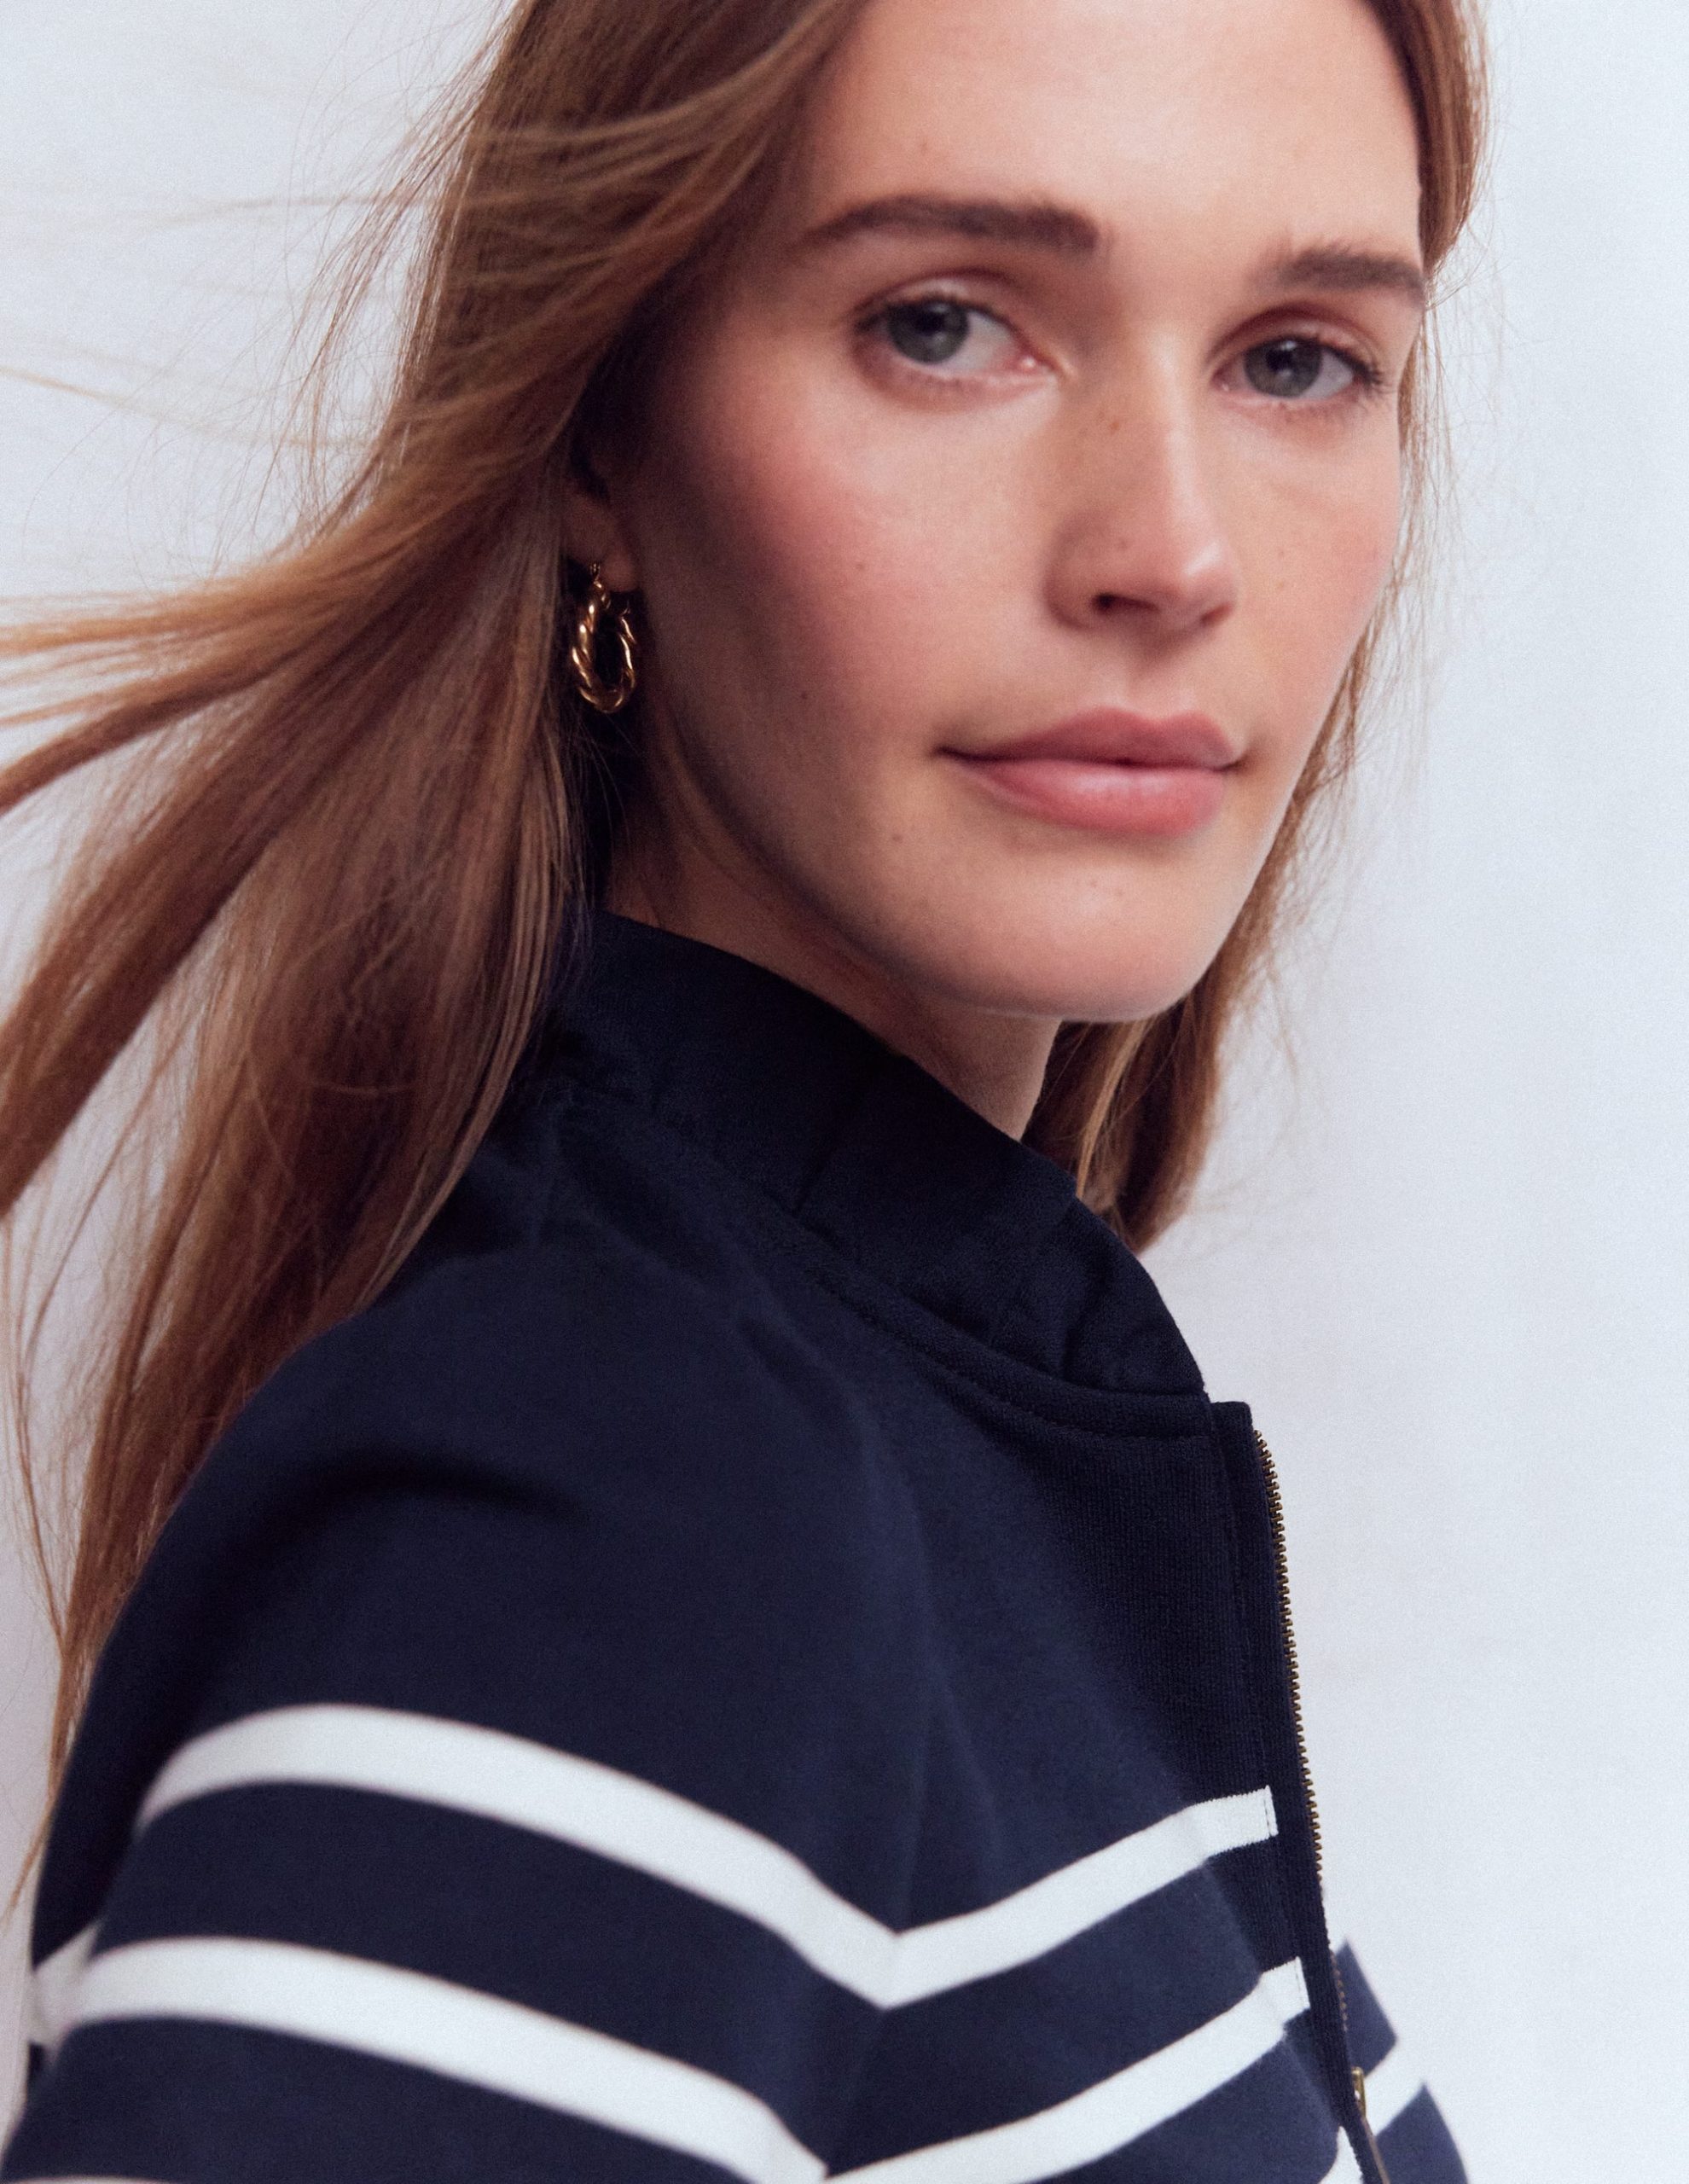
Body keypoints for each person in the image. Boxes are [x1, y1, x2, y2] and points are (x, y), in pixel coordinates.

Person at [0, 0, 1486, 2177]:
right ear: (604, 437)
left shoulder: (905, 1421)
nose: (1175, 551)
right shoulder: (619, 1488)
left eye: (1297, 358)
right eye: (946, 324)